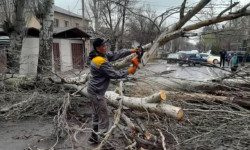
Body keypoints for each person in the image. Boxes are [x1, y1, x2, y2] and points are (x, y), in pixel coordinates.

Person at [87, 38, 138, 145]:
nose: (105, 47)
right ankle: (104, 141)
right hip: (96, 93)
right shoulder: (99, 61)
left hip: (93, 90)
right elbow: (114, 75)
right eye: (103, 46)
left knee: (96, 114)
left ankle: (93, 136)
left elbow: (116, 54)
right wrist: (129, 71)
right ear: (97, 48)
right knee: (104, 116)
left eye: (105, 45)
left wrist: (132, 51)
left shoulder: (101, 55)